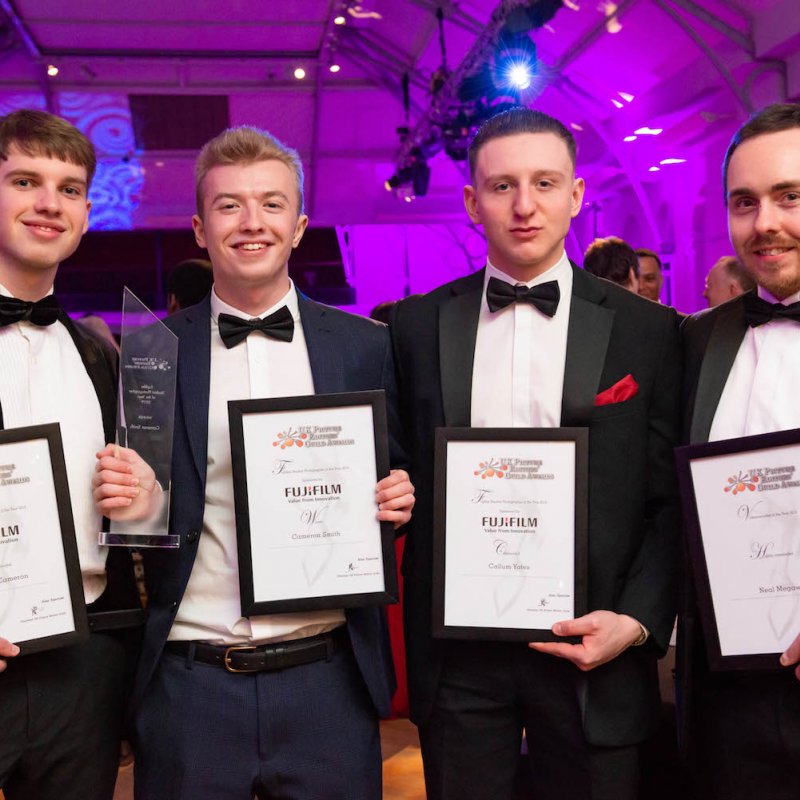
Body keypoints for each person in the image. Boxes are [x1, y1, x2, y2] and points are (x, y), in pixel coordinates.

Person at [93, 125, 415, 800]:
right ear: (199, 229)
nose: (251, 223)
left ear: (299, 226)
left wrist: (401, 496)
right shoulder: (151, 352)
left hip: (328, 681)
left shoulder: (365, 346)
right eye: (228, 205)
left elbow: (400, 476)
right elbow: (140, 526)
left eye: (271, 204)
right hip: (192, 685)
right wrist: (141, 505)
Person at [391, 107, 682, 800]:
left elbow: (671, 498)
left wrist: (638, 621)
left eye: (545, 183)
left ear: (576, 195)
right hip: (459, 657)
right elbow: (396, 471)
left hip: (594, 649)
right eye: (502, 186)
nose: (525, 205)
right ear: (471, 202)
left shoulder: (650, 332)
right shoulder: (414, 327)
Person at [0, 110, 142, 800]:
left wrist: (143, 499)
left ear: (87, 212)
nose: (50, 203)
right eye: (25, 180)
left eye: (71, 188)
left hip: (84, 663)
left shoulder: (98, 353)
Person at [680, 102, 800, 800]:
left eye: (791, 197)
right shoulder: (698, 341)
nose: (766, 224)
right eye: (744, 202)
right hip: (728, 707)